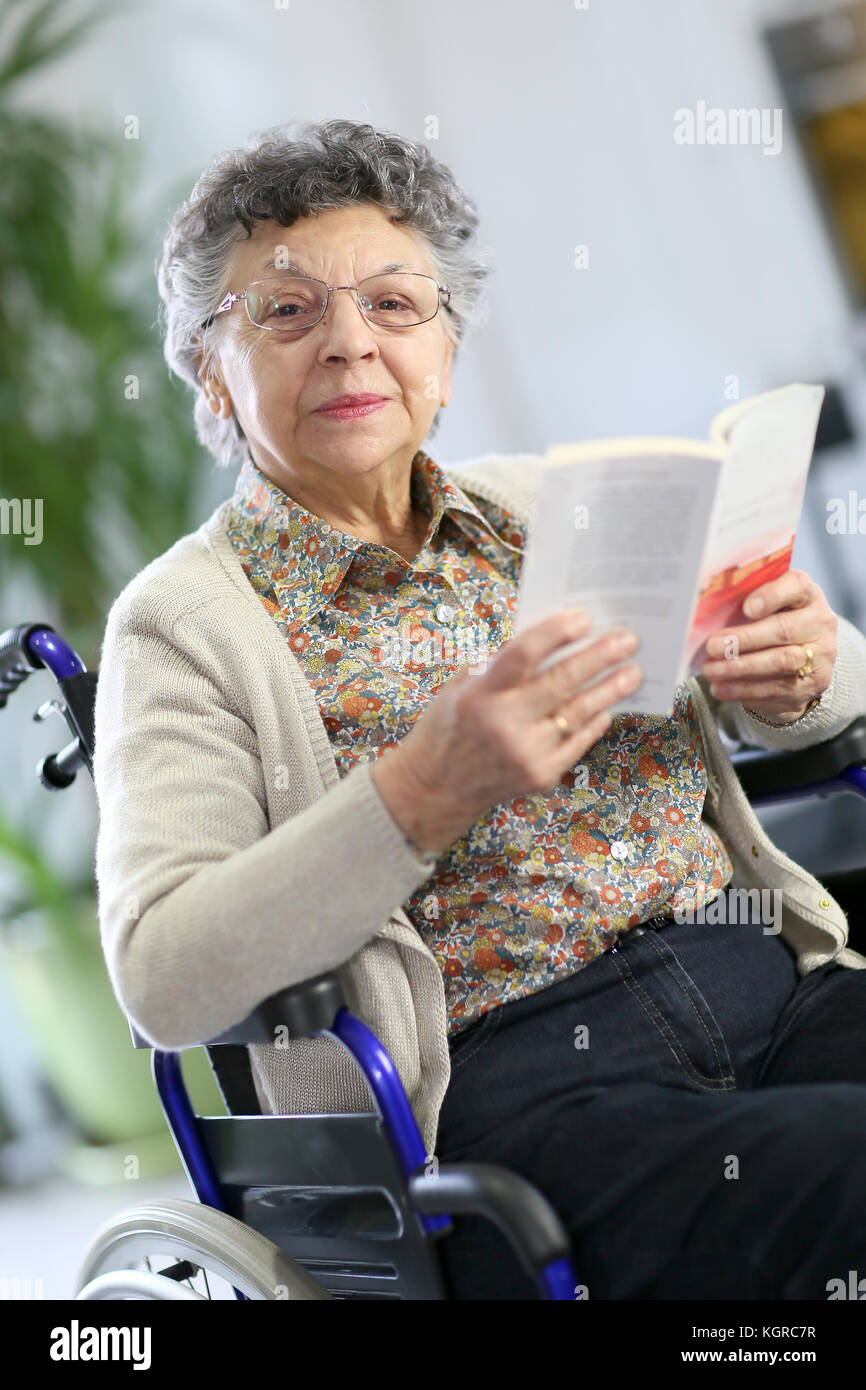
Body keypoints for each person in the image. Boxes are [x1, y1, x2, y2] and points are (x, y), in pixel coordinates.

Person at [94, 119, 866, 1300]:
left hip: (772, 985)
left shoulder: (548, 504)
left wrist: (804, 670)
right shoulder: (184, 623)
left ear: (444, 348)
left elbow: (824, 700)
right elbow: (163, 975)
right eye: (287, 311)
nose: (351, 343)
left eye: (396, 304)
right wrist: (417, 793)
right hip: (516, 1090)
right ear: (209, 365)